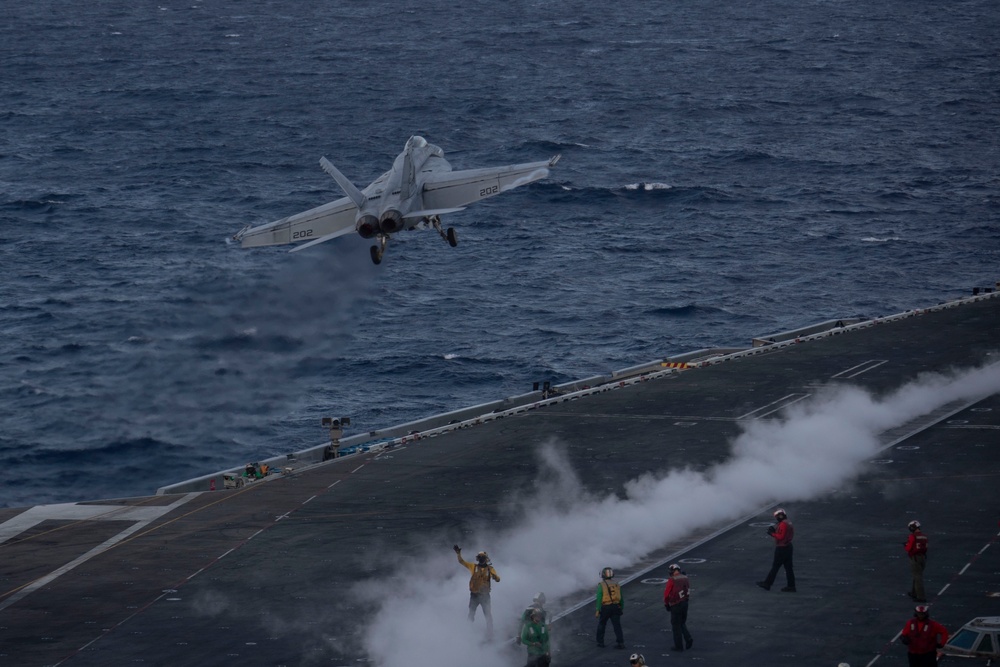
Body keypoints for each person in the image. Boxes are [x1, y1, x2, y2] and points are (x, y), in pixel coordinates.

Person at [454, 545, 500, 639]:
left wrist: (495, 577)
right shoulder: (473, 567)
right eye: (480, 557)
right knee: (471, 613)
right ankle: (468, 631)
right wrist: (458, 554)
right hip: (474, 595)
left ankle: (490, 634)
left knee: (488, 615)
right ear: (477, 558)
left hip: (485, 596)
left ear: (486, 559)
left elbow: (498, 578)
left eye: (482, 557)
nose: (481, 559)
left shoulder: (490, 569)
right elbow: (461, 562)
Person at [757, 508, 796, 592]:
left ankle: (767, 584)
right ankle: (791, 586)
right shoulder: (788, 522)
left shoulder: (783, 524)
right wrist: (776, 531)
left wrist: (772, 533)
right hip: (789, 546)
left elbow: (781, 537)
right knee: (789, 568)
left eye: (778, 516)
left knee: (775, 567)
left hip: (782, 548)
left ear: (781, 515)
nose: (777, 518)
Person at [663, 564, 693, 651]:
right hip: (685, 603)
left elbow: (666, 594)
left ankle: (679, 646)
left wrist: (666, 604)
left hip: (676, 604)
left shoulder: (672, 580)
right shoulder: (685, 578)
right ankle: (688, 638)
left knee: (676, 626)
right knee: (682, 623)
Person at [595, 566, 625, 649]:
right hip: (616, 607)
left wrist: (597, 610)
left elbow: (599, 598)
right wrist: (621, 607)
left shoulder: (602, 585)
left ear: (603, 575)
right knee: (617, 626)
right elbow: (621, 598)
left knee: (602, 624)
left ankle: (600, 642)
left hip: (606, 607)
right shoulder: (616, 584)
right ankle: (621, 642)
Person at [905, 520, 929, 602]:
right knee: (917, 575)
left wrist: (906, 545)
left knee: (918, 577)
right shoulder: (924, 536)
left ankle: (920, 596)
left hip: (915, 558)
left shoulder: (912, 536)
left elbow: (908, 548)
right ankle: (914, 592)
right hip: (923, 557)